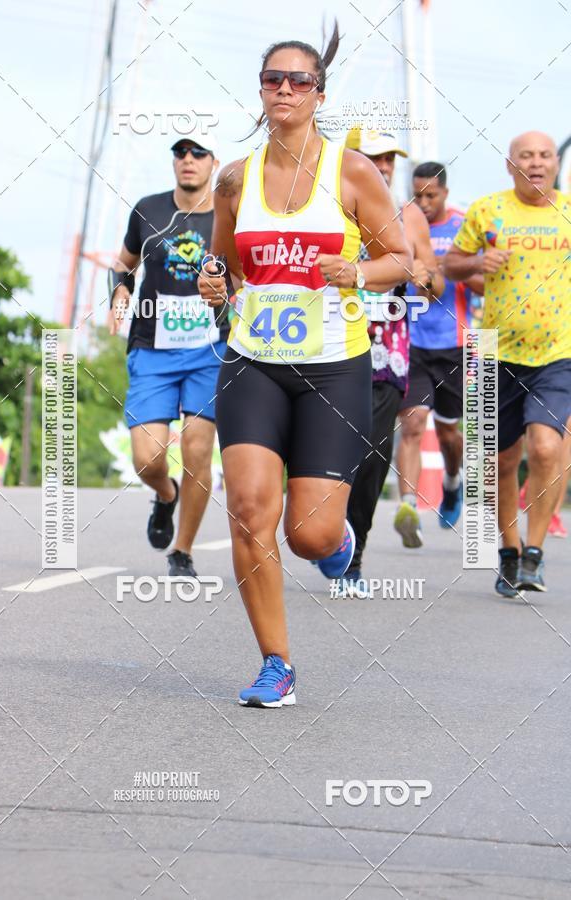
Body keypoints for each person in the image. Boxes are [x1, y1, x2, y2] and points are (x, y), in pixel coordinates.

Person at [197, 26, 412, 707]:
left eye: (299, 81)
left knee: (307, 533)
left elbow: (401, 260)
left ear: (321, 94)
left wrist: (358, 270)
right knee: (250, 509)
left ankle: (335, 535)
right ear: (261, 92)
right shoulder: (235, 178)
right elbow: (225, 263)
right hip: (252, 362)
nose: (285, 90)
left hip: (332, 367)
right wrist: (213, 282)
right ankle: (276, 665)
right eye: (273, 80)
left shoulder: (351, 172)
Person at [444, 131, 571, 595]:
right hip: (491, 349)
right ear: (510, 165)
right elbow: (451, 266)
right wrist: (477, 260)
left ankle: (535, 554)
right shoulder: (486, 210)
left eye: (543, 156)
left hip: (558, 352)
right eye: (526, 156)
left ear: (555, 164)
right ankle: (509, 552)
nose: (536, 163)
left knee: (545, 448)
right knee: (498, 461)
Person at [107, 130, 228, 578]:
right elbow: (123, 264)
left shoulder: (228, 216)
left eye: (198, 152)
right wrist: (119, 293)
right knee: (148, 459)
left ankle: (183, 550)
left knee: (198, 449)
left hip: (208, 350)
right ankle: (165, 495)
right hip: (153, 349)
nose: (188, 159)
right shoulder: (149, 210)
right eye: (180, 152)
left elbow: (245, 274)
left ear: (214, 161)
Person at [340, 130, 444, 592]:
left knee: (373, 450)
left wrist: (425, 276)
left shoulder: (409, 215)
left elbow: (433, 282)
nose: (382, 167)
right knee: (327, 449)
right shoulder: (329, 207)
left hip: (386, 352)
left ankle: (353, 556)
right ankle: (321, 529)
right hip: (327, 345)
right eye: (373, 158)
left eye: (389, 160)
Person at [394, 161, 484, 544]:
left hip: (457, 345)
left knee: (449, 435)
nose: (424, 203)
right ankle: (409, 507)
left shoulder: (465, 225)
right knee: (412, 423)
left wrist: (452, 268)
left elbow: (486, 285)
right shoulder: (399, 223)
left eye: (430, 195)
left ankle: (452, 482)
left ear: (445, 193)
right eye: (417, 196)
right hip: (411, 342)